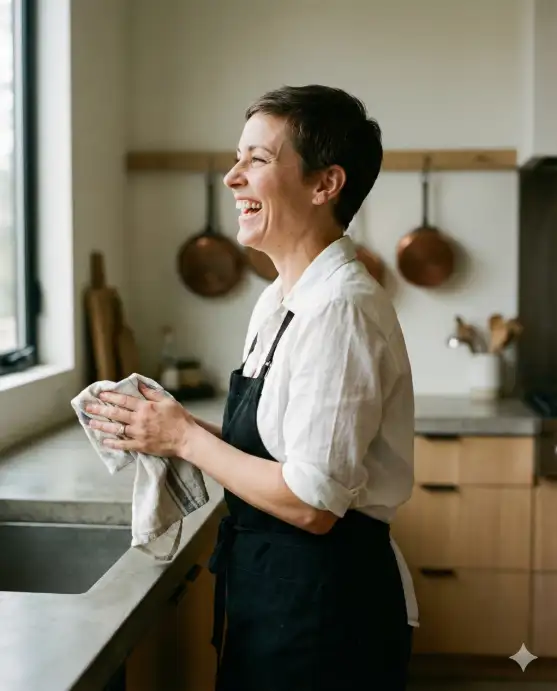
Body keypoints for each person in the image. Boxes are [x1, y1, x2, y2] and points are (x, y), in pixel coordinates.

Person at [86, 84, 418, 691]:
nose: (231, 177)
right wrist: (166, 430)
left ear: (325, 185)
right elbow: (282, 448)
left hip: (324, 610)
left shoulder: (341, 309)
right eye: (237, 158)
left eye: (257, 160)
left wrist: (186, 439)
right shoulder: (281, 298)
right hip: (274, 591)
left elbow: (312, 504)